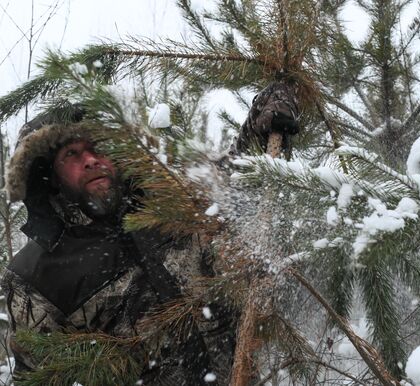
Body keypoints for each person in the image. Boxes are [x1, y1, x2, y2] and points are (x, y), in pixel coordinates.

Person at [1, 81, 299, 385]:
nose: (90, 159)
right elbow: (36, 377)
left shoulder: (173, 199)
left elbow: (240, 174)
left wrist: (263, 119)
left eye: (97, 147)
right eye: (72, 154)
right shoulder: (35, 275)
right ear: (49, 174)